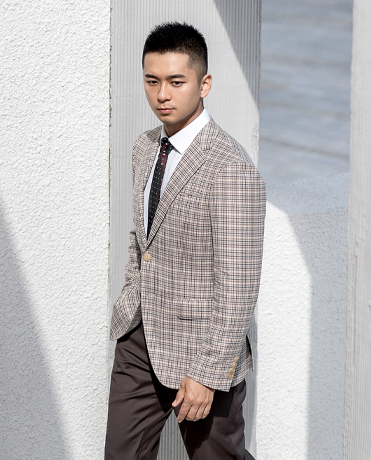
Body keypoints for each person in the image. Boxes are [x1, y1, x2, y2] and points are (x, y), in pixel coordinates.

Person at [105, 22, 265, 460]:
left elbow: (238, 287)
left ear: (203, 84)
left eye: (176, 82)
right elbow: (143, 240)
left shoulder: (231, 169)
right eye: (152, 81)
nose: (162, 94)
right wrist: (131, 298)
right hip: (140, 339)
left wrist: (208, 373)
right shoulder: (144, 148)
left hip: (202, 351)